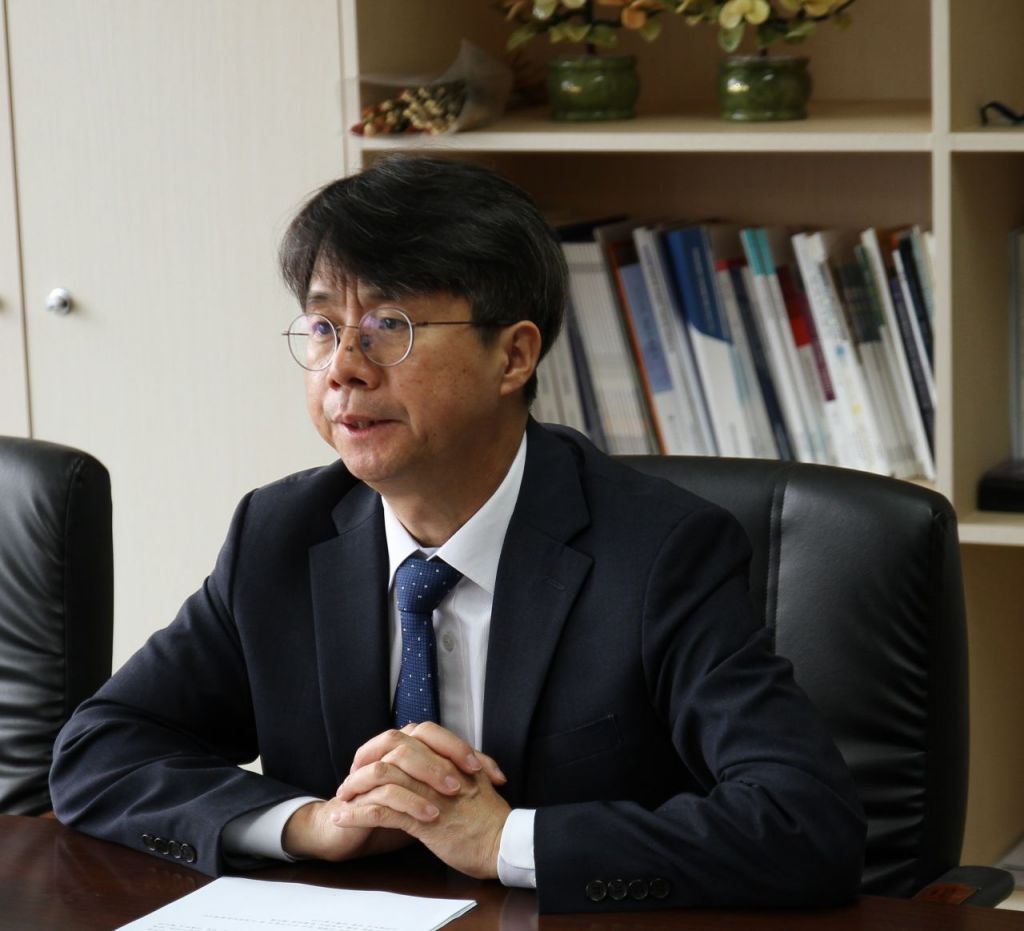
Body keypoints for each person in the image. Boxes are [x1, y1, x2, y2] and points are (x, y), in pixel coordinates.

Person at [50, 154, 865, 913]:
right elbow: (99, 750)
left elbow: (806, 822)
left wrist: (504, 840)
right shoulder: (281, 534)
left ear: (513, 357)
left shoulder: (660, 552)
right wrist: (310, 823)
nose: (344, 368)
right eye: (324, 327)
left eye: (389, 325)